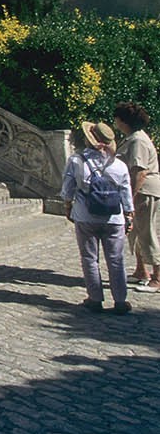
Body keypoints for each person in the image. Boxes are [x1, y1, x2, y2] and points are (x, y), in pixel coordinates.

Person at [61, 121, 134, 314]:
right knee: (116, 259)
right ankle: (120, 300)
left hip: (86, 215)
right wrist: (129, 214)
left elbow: (68, 189)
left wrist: (68, 207)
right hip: (114, 218)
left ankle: (95, 298)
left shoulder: (77, 161)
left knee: (89, 258)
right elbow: (126, 193)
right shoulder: (119, 165)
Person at [113, 102, 160, 292]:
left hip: (144, 191)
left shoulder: (137, 141)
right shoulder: (132, 138)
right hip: (140, 191)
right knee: (135, 231)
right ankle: (142, 271)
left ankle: (158, 276)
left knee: (146, 232)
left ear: (123, 120)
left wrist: (129, 197)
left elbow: (139, 172)